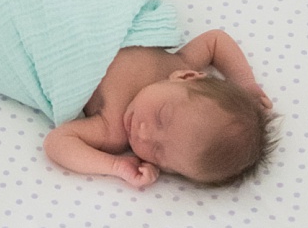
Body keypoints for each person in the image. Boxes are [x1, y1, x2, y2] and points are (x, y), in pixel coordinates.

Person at [43, 30, 275, 188]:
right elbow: (216, 40)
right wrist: (246, 83)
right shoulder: (181, 65)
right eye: (161, 116)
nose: (142, 133)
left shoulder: (112, 129)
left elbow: (58, 141)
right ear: (187, 77)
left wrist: (116, 166)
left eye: (157, 152)